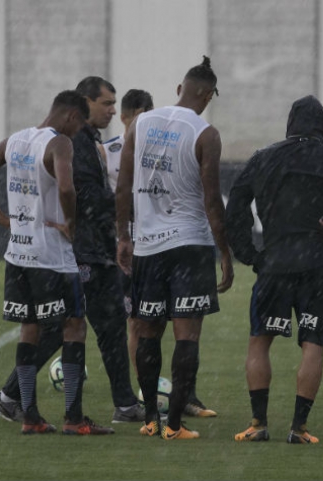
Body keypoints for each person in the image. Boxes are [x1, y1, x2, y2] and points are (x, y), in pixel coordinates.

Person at [0, 77, 146, 425]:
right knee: (72, 327)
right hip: (77, 250)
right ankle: (22, 399)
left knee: (94, 325)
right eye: (106, 104)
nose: (112, 111)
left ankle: (120, 403)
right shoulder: (68, 142)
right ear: (83, 106)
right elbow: (79, 193)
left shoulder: (79, 139)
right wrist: (127, 206)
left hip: (76, 249)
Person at [226, 94, 323, 444]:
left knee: (259, 342)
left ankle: (258, 423)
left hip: (275, 263)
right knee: (313, 344)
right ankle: (298, 427)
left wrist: (250, 254)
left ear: (289, 125)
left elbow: (235, 205)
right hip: (317, 265)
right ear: (322, 129)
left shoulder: (263, 158)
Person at [0, 90, 113, 435]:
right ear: (72, 117)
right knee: (74, 326)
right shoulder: (59, 143)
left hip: (19, 254)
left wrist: (2, 217)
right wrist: (71, 223)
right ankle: (73, 419)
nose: (76, 135)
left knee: (29, 328)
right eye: (78, 126)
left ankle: (30, 416)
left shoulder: (14, 140)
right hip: (52, 256)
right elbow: (67, 188)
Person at [115, 56, 234, 440]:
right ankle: (177, 425)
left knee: (147, 332)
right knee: (187, 337)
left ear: (180, 88)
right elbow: (212, 201)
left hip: (147, 246)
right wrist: (225, 254)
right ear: (207, 94)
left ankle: (151, 418)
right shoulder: (205, 133)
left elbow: (122, 185)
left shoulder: (141, 124)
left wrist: (123, 235)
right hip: (189, 246)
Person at [104, 88, 217, 418]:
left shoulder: (160, 138)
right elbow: (112, 192)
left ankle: (181, 400)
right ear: (130, 117)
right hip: (141, 245)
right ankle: (144, 400)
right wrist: (121, 234)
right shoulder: (108, 149)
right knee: (141, 326)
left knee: (180, 326)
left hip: (157, 245)